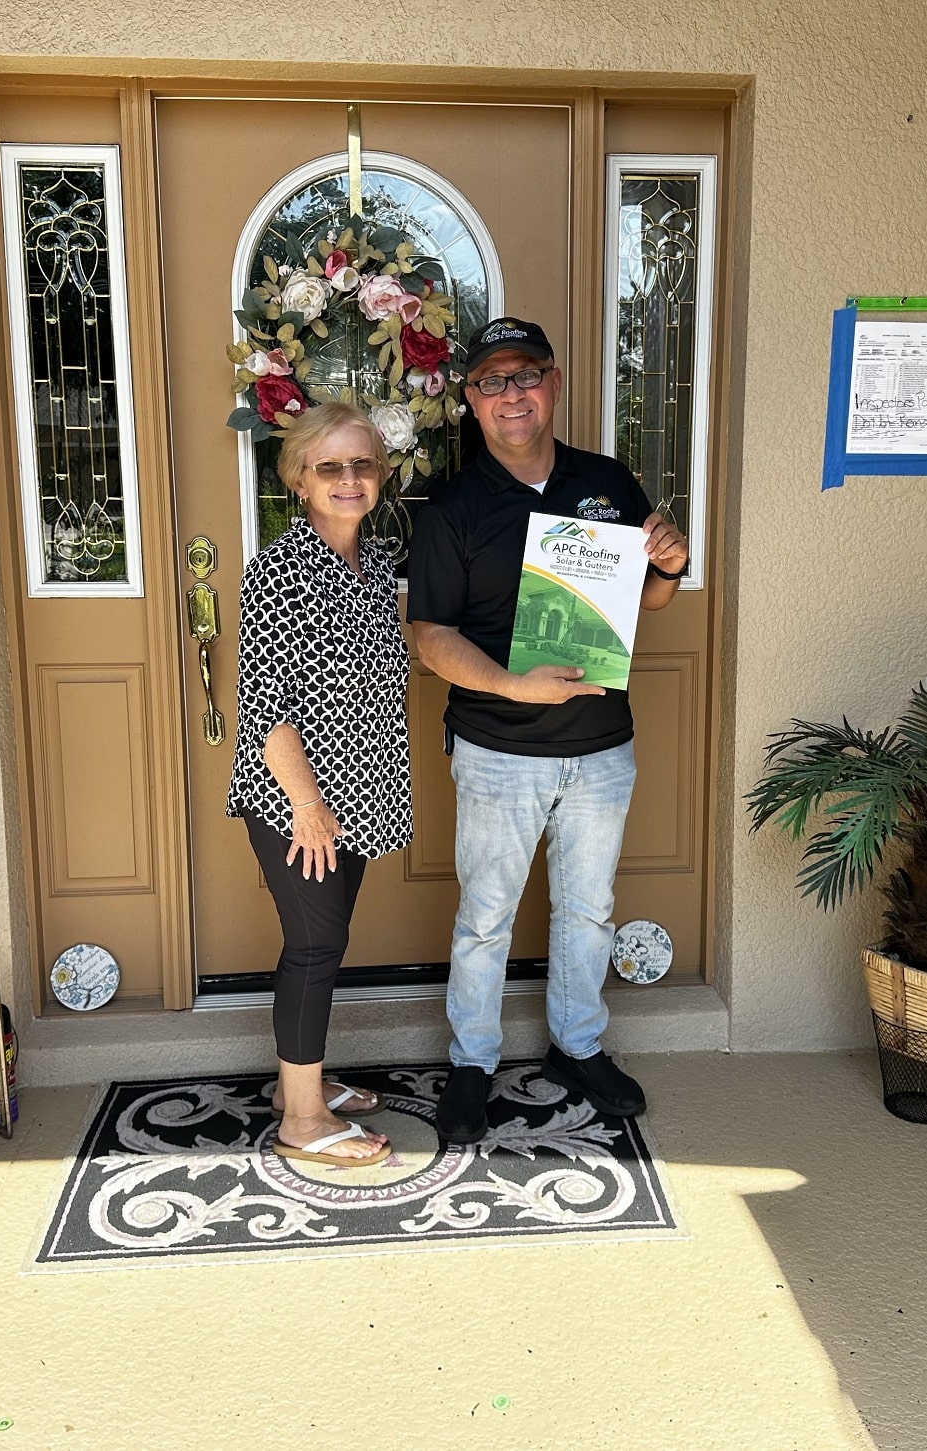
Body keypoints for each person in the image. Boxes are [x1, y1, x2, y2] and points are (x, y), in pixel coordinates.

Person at [406, 317, 689, 1142]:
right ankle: (471, 1063)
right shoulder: (453, 509)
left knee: (588, 908)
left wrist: (667, 564)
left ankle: (578, 1046)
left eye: (524, 374)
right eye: (492, 382)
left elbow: (644, 600)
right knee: (487, 914)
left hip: (601, 746)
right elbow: (429, 638)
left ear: (554, 383)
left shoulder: (606, 481)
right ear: (471, 401)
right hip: (498, 749)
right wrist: (512, 686)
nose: (511, 395)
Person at [227, 399, 412, 1167]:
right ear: (299, 478)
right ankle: (301, 1120)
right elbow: (265, 706)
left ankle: (296, 1084)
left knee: (321, 944)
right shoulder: (280, 571)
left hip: (356, 795)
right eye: (329, 466)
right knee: (315, 944)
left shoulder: (373, 564)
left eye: (361, 464)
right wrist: (307, 804)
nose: (347, 479)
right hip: (300, 800)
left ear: (380, 476)